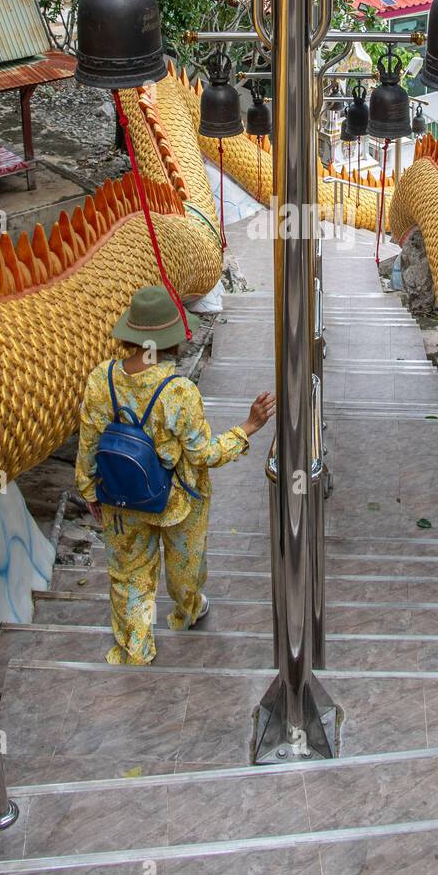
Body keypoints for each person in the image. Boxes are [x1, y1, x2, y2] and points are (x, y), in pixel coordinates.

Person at [75, 284, 275, 665]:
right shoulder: (178, 391)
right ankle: (186, 613)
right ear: (170, 341)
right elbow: (204, 455)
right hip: (178, 499)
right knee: (185, 568)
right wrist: (247, 428)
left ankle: (136, 649)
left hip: (121, 498)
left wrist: (89, 491)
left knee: (129, 576)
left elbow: (89, 443)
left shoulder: (101, 380)